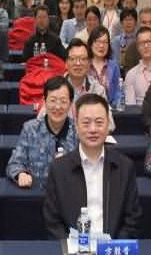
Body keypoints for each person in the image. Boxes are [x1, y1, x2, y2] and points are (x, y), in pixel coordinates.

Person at [41, 93, 142, 240]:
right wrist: (72, 246)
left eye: (99, 123)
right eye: (86, 123)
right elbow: (52, 221)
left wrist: (112, 246)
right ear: (76, 126)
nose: (93, 129)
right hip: (73, 250)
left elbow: (132, 218)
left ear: (108, 125)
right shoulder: (59, 169)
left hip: (112, 250)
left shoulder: (124, 167)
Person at [6, 78, 77, 189]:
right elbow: (14, 163)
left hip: (69, 192)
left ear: (70, 103)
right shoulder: (30, 129)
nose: (57, 107)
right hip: (36, 193)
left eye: (63, 101)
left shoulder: (78, 131)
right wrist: (21, 174)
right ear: (44, 101)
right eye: (53, 100)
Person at [122, 26, 151, 109]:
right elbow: (130, 107)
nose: (146, 46)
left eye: (149, 42)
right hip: (138, 115)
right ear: (137, 47)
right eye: (142, 43)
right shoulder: (131, 75)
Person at [85, 27, 123, 103]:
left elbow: (118, 92)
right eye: (98, 41)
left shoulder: (114, 66)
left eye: (105, 42)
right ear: (91, 43)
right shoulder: (85, 65)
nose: (101, 46)